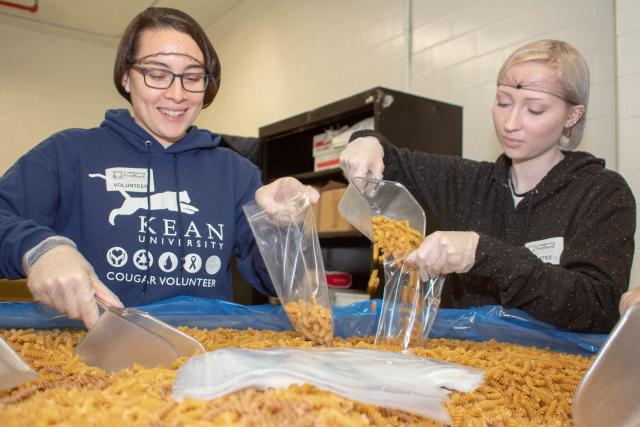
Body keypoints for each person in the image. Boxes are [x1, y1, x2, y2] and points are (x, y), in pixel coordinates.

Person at [257, 39, 636, 333]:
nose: (511, 122)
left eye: (534, 109)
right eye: (504, 102)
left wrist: (479, 252)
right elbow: (392, 157)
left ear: (573, 115)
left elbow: (598, 306)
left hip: (547, 382)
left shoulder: (602, 194)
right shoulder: (465, 182)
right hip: (458, 372)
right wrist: (366, 142)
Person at [0, 7, 274, 329]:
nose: (177, 94)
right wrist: (40, 249)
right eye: (157, 75)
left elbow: (274, 281)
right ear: (126, 77)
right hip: (88, 355)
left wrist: (286, 229)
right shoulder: (69, 153)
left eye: (193, 77)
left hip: (202, 359)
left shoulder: (236, 173)